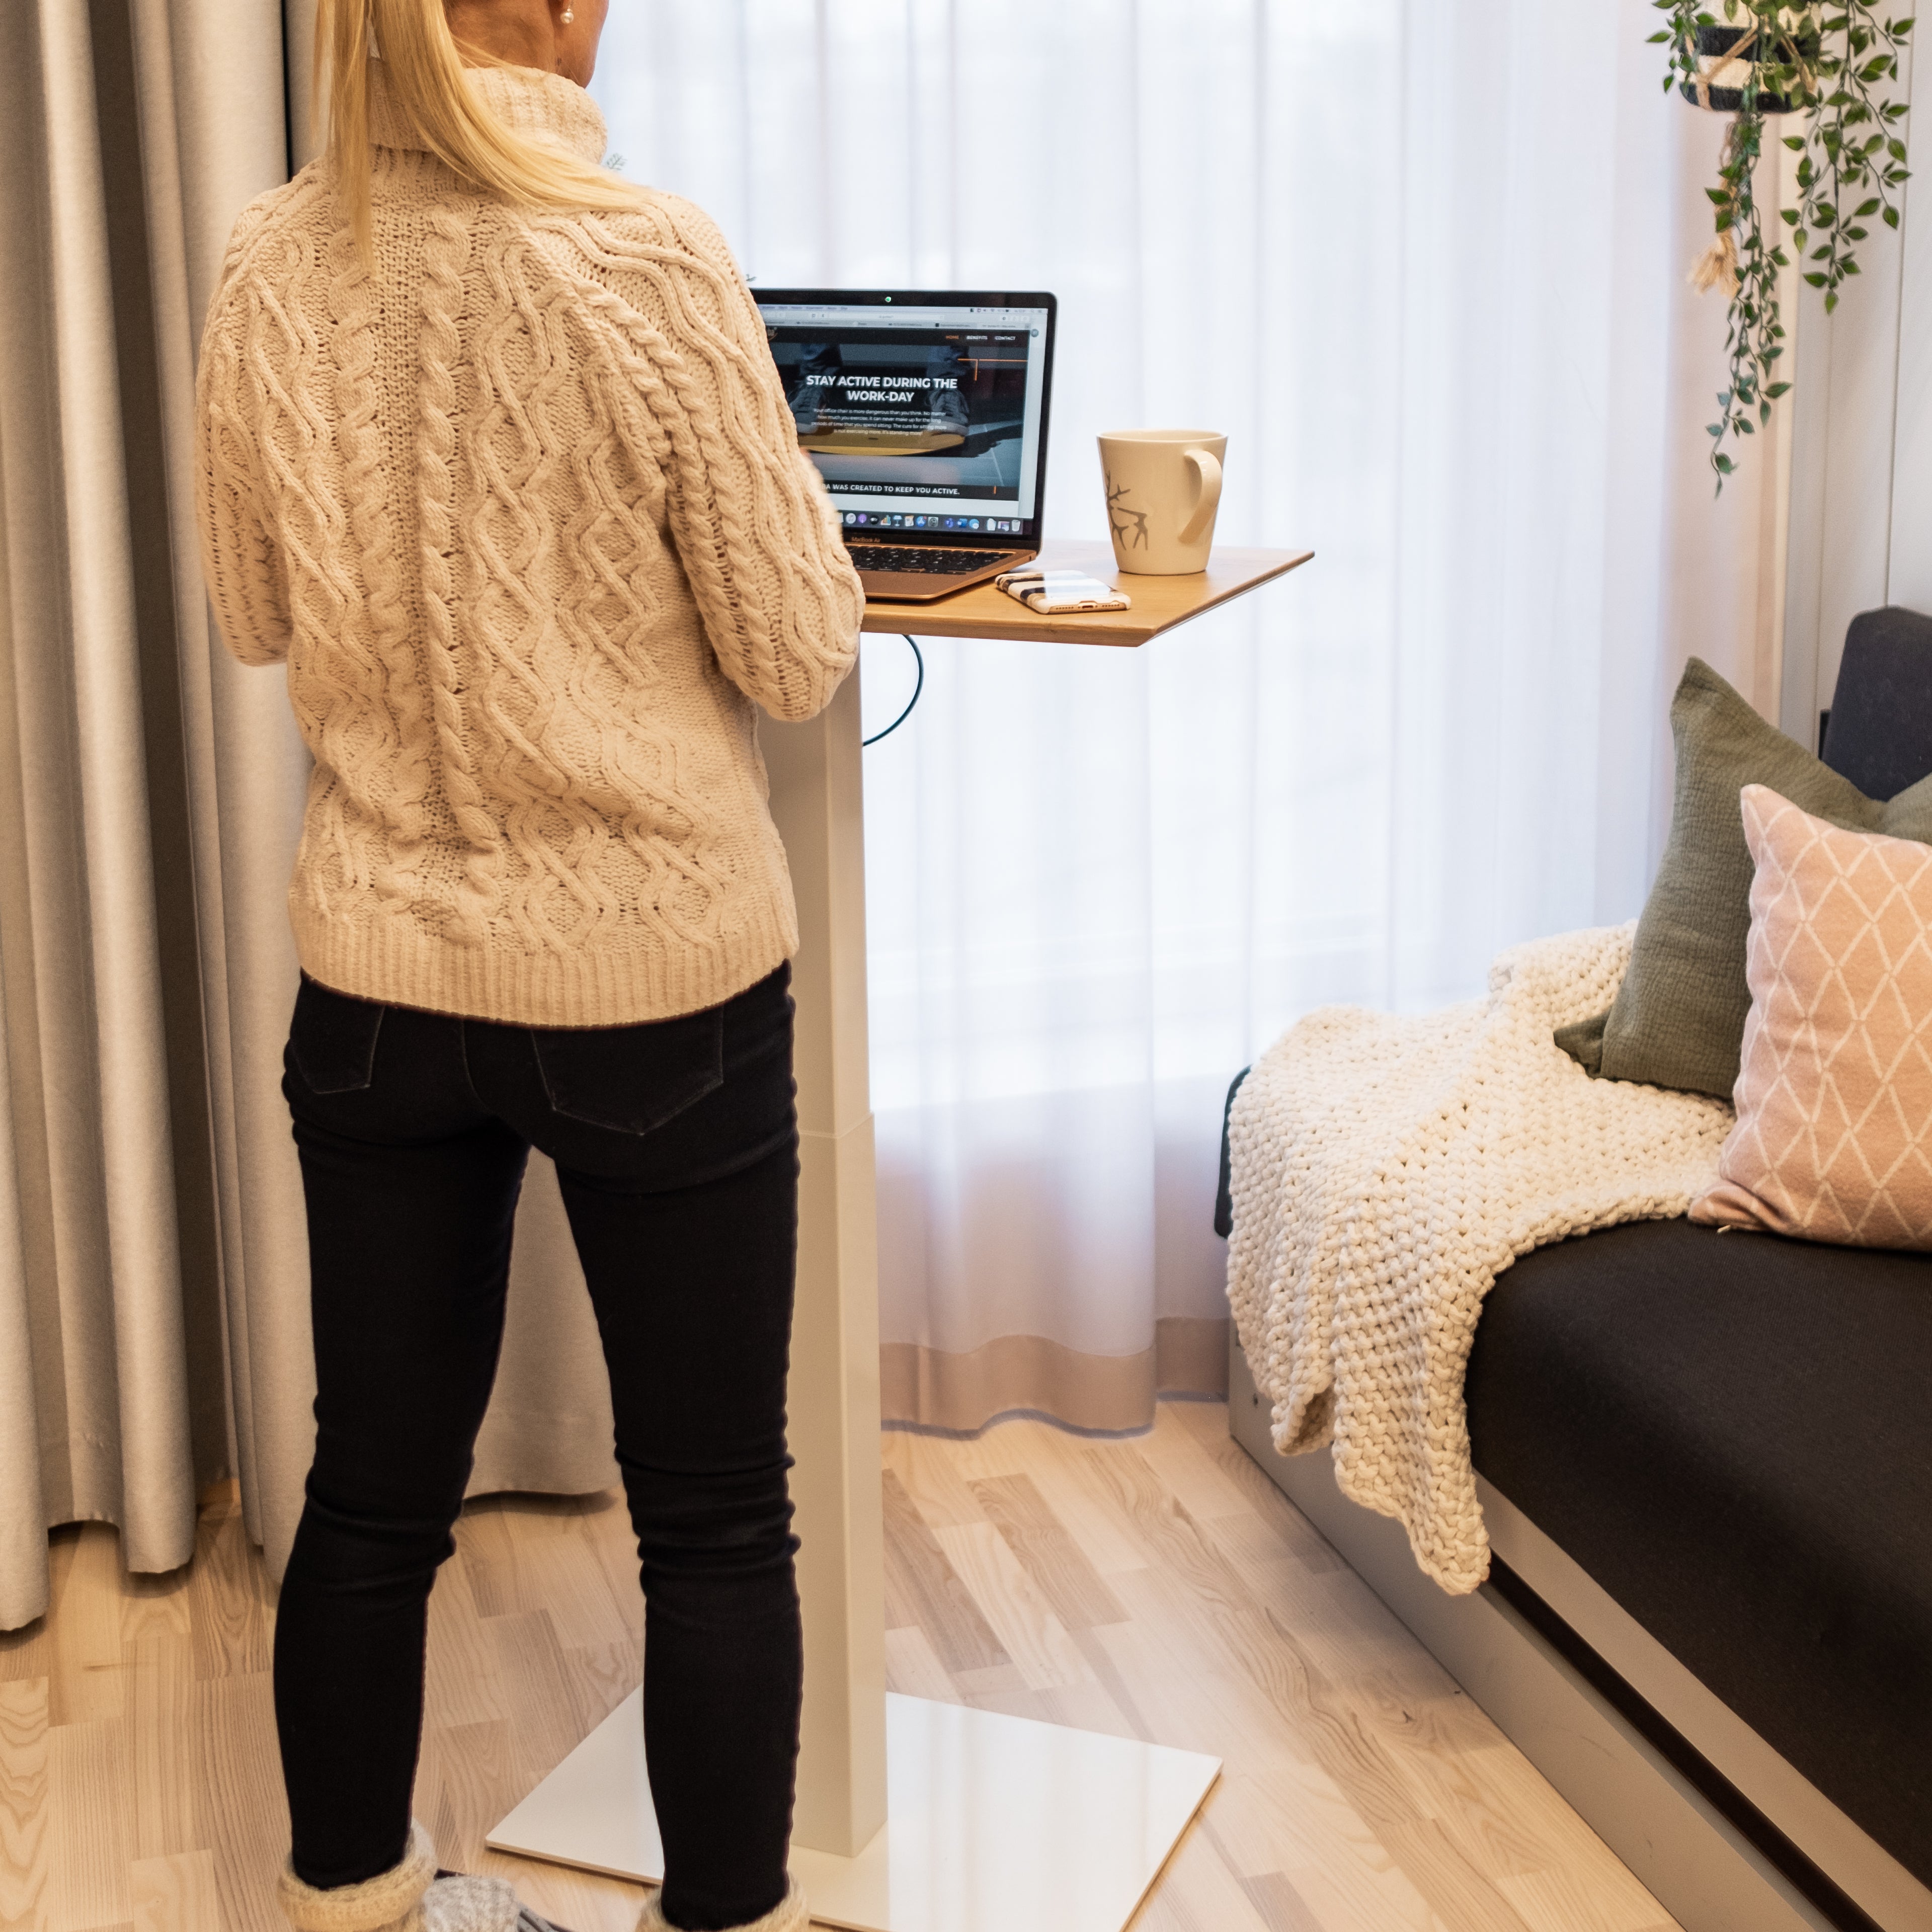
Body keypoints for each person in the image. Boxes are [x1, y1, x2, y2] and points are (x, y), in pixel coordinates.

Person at [193, 2, 863, 1929]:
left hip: (382, 981)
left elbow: (251, 612)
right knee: (716, 1510)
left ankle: (350, 1904)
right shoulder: (650, 254)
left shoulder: (266, 255)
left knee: (372, 1495)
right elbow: (802, 651)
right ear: (557, 9)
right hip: (659, 980)